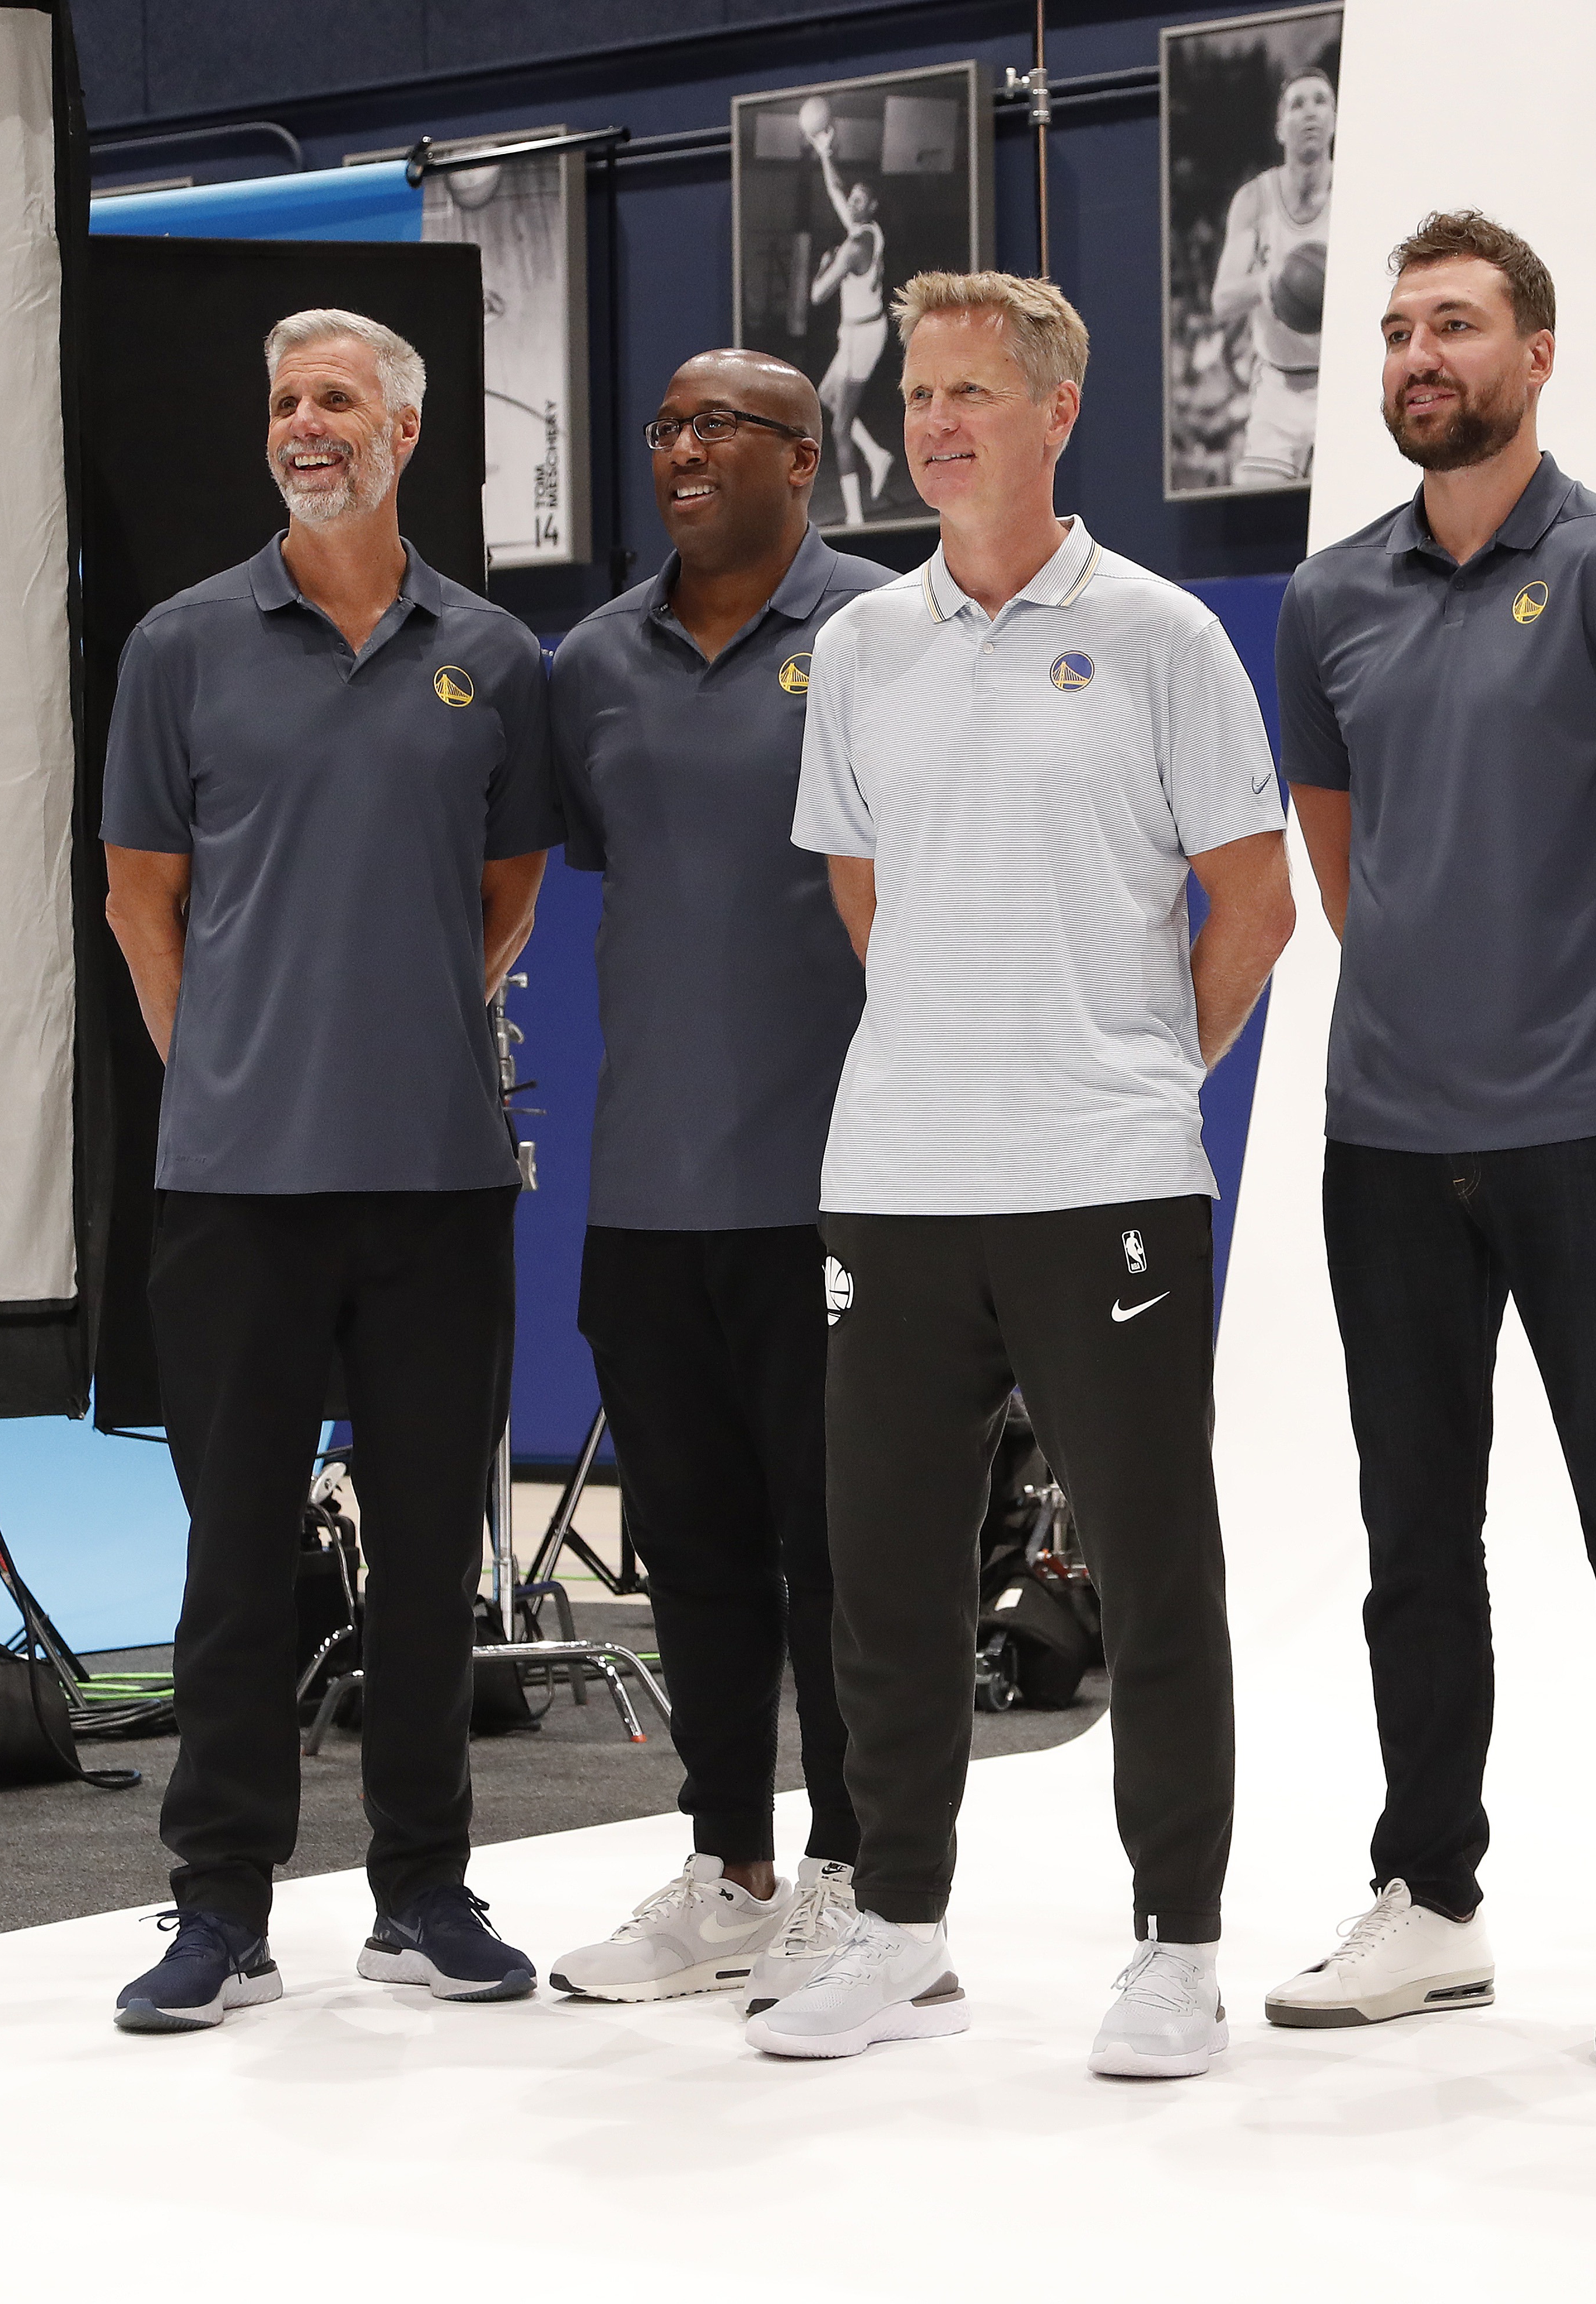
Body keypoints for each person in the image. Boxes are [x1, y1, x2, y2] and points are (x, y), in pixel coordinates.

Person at [751, 270, 1296, 2079]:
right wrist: (957, 1044)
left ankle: (1173, 1944)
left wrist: (1137, 1071)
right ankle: (900, 1925)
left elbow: (1254, 899)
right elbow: (860, 890)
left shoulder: (1156, 634)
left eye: (973, 388)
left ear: (1058, 411)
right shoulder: (867, 647)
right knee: (884, 1575)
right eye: (918, 389)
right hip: (895, 1176)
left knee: (1151, 1568)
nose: (933, 420)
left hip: (1103, 1180)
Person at [1265, 211, 1596, 2067]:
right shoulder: (1328, 600)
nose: (1414, 358)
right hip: (1385, 1139)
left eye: (1453, 326)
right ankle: (1430, 1896)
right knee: (1412, 1532)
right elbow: (1344, 860)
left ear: (1533, 354)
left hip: (1590, 1135)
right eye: (1395, 330)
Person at [99, 309, 557, 2030]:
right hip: (237, 1183)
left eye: (336, 398)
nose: (305, 422)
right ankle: (219, 1898)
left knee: (436, 1549)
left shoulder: (496, 655)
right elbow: (140, 896)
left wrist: (412, 1022)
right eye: (285, 399)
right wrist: (220, 1063)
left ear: (404, 429)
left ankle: (422, 1887)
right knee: (235, 1557)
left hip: (437, 1175)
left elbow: (507, 889)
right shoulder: (180, 643)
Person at [538, 352, 888, 2011]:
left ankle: (855, 1873)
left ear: (805, 459)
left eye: (719, 427)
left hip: (836, 1190)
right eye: (664, 422)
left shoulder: (887, 630)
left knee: (842, 1552)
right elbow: (599, 874)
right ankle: (727, 1863)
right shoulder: (591, 661)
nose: (680, 447)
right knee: (690, 1548)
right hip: (645, 1197)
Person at [1207, 66, 1334, 486]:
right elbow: (1222, 301)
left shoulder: (1358, 192)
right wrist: (1273, 281)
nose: (1310, 112)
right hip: (1279, 386)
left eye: (1320, 101)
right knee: (1259, 516)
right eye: (1297, 105)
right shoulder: (1254, 200)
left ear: (1334, 117)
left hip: (1348, 382)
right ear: (1280, 128)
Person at [805, 111, 899, 524]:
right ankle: (877, 454)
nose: (853, 204)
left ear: (872, 206)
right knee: (825, 394)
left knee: (839, 427)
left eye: (860, 201)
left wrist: (824, 262)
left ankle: (856, 519)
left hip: (863, 338)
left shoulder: (852, 248)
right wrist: (825, 153)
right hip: (859, 331)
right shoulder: (869, 229)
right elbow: (834, 189)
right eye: (854, 199)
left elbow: (816, 294)